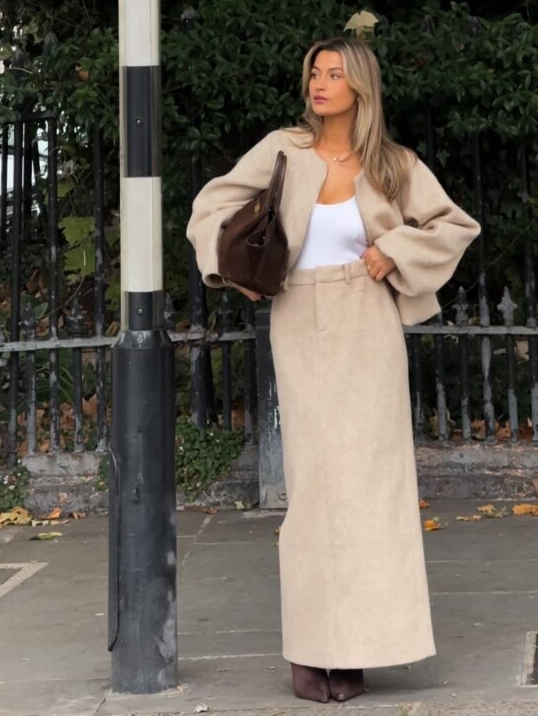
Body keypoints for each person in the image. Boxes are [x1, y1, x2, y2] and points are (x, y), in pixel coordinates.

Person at [186, 36, 481, 703]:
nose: (319, 84)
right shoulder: (281, 149)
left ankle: (360, 648)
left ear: (360, 88)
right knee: (316, 490)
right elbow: (211, 206)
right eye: (313, 73)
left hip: (368, 322)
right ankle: (312, 649)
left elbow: (453, 225)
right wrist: (239, 275)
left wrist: (395, 250)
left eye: (333, 74)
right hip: (299, 319)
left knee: (372, 491)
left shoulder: (393, 163)